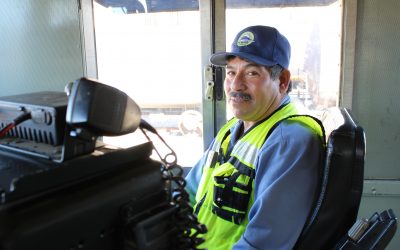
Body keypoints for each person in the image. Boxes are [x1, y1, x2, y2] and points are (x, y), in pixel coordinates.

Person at [185, 25, 325, 249]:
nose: (235, 85)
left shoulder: (289, 141)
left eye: (252, 73)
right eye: (231, 72)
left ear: (282, 81)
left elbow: (263, 244)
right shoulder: (231, 129)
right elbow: (189, 191)